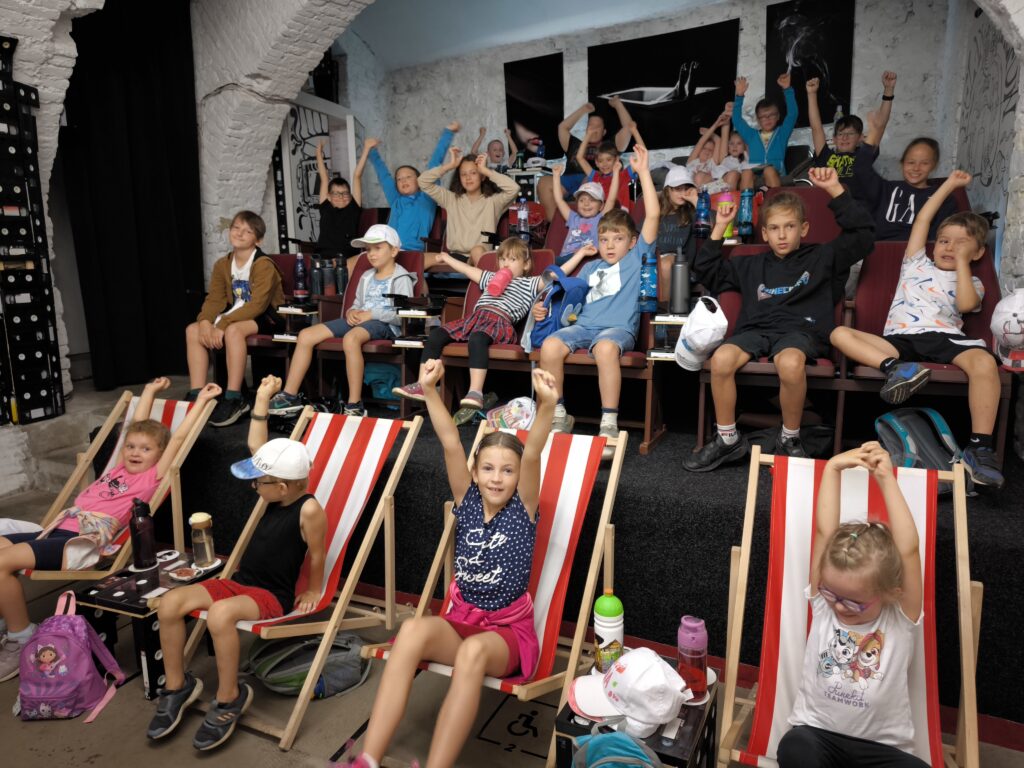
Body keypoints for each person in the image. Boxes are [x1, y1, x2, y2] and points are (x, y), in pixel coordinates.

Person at [344, 361, 556, 768]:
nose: (497, 478)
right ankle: (368, 758)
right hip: (461, 619)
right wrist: (430, 390)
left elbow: (532, 454)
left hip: (505, 635)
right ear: (474, 472)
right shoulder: (467, 499)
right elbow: (450, 441)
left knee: (472, 652)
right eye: (488, 468)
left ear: (518, 477)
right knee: (411, 630)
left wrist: (546, 405)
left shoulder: (523, 509)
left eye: (507, 471)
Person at [146, 375, 327, 751]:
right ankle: (178, 686)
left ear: (282, 486)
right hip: (241, 582)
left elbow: (317, 553)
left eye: (259, 482)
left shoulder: (308, 509)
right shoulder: (276, 493)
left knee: (220, 615)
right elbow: (257, 447)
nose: (253, 486)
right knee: (169, 603)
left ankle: (229, 696)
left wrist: (313, 588)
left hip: (271, 595)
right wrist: (262, 399)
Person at [0, 378, 221, 682]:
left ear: (160, 454)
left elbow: (179, 438)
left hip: (79, 542)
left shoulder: (152, 477)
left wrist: (202, 402)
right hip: (58, 530)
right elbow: (131, 425)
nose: (135, 452)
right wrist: (149, 392)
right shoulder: (117, 467)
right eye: (131, 446)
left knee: (2, 561)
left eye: (146, 449)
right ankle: (6, 614)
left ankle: (21, 635)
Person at [683, 167, 875, 471]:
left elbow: (863, 236)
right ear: (764, 233)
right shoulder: (750, 264)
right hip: (756, 330)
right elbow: (706, 270)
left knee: (790, 362)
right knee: (721, 359)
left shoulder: (823, 257)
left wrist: (835, 189)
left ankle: (789, 439)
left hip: (801, 331)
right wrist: (719, 227)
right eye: (774, 228)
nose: (782, 235)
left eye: (789, 227)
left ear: (804, 229)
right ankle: (727, 439)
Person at [830, 171, 1003, 489]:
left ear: (978, 252)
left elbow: (966, 304)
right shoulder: (915, 263)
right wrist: (949, 185)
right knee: (839, 334)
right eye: (945, 241)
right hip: (901, 339)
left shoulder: (973, 281)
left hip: (946, 338)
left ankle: (980, 447)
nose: (950, 248)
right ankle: (896, 369)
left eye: (962, 244)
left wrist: (962, 264)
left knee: (984, 362)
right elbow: (923, 219)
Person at [777, 441, 928, 768]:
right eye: (831, 593)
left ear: (890, 592)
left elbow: (909, 550)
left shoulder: (899, 618)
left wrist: (885, 477)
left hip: (881, 748)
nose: (839, 606)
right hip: (818, 735)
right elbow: (824, 531)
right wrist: (832, 468)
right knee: (794, 747)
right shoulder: (823, 605)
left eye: (854, 602)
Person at [538, 144, 660, 447]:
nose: (610, 245)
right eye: (604, 239)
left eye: (618, 239)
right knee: (550, 345)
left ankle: (608, 423)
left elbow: (654, 215)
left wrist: (644, 172)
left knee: (605, 349)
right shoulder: (590, 266)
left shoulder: (636, 258)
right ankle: (559, 414)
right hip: (583, 326)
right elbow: (566, 298)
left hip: (616, 329)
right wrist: (544, 310)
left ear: (632, 242)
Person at [393, 236, 590, 424]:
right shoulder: (491, 277)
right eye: (502, 259)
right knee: (436, 334)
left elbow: (559, 274)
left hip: (500, 321)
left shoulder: (530, 283)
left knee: (478, 339)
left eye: (512, 259)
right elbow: (469, 270)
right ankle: (422, 384)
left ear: (526, 265)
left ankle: (475, 392)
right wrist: (447, 258)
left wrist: (580, 253)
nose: (506, 264)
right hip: (474, 319)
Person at [268, 224, 416, 417]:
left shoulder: (401, 277)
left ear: (394, 251)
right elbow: (357, 304)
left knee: (351, 338)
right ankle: (289, 396)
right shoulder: (366, 276)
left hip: (385, 325)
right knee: (305, 335)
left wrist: (371, 314)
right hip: (361, 321)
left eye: (378, 248)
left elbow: (402, 314)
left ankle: (354, 404)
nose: (371, 254)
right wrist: (352, 311)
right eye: (368, 249)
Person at [185, 210, 284, 427]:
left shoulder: (263, 264)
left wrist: (222, 324)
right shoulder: (223, 264)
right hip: (234, 316)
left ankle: (234, 397)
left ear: (258, 240)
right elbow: (215, 299)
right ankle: (197, 395)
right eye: (236, 228)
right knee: (193, 330)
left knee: (233, 331)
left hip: (267, 317)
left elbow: (258, 305)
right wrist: (205, 322)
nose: (239, 233)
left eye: (247, 231)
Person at [418, 148, 520, 268]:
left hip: (480, 256)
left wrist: (486, 171)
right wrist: (449, 166)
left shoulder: (493, 202)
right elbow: (422, 181)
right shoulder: (451, 199)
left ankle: (483, 279)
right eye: (463, 174)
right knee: (418, 260)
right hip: (454, 256)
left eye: (473, 173)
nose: (468, 178)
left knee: (477, 250)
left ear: (482, 177)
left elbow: (514, 188)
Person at [364, 122, 458, 251]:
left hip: (414, 251)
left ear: (419, 180)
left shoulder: (427, 197)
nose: (403, 181)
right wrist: (372, 151)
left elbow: (435, 165)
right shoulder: (396, 200)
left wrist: (448, 133)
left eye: (408, 177)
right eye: (399, 179)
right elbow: (384, 176)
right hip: (389, 250)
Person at [536, 98, 634, 221]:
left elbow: (628, 127)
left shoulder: (610, 145)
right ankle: (554, 225)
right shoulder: (574, 143)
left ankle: (586, 221)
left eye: (597, 126)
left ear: (604, 131)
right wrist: (583, 110)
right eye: (590, 125)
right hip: (568, 181)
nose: (593, 129)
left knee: (588, 179)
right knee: (543, 182)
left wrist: (618, 105)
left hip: (593, 180)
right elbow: (562, 127)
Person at [853, 131, 956, 242]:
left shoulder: (943, 197)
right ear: (902, 163)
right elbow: (860, 167)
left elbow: (942, 236)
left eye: (924, 163)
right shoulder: (885, 189)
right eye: (911, 162)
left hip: (919, 251)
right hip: (882, 249)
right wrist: (875, 130)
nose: (916, 168)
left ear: (933, 165)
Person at [808, 71, 897, 197]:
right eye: (840, 134)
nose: (844, 137)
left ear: (860, 138)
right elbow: (816, 128)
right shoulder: (825, 156)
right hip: (829, 204)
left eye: (850, 133)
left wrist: (888, 90)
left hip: (856, 205)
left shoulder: (863, 155)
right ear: (834, 139)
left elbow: (880, 126)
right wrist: (811, 94)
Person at [731, 72, 799, 188]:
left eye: (771, 115)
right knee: (746, 173)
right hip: (755, 173)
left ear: (778, 116)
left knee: (768, 170)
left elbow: (793, 114)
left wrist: (787, 90)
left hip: (776, 172)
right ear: (758, 120)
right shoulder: (751, 135)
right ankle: (746, 200)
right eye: (763, 116)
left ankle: (777, 199)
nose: (767, 119)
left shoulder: (782, 133)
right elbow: (737, 120)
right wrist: (739, 96)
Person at [551, 161, 619, 266]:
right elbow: (559, 200)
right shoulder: (573, 218)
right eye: (582, 200)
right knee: (547, 261)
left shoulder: (601, 219)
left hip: (587, 259)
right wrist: (556, 176)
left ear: (601, 206)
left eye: (592, 200)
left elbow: (611, 200)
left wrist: (616, 172)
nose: (586, 204)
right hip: (566, 259)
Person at [655, 165, 699, 299]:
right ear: (668, 190)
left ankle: (664, 308)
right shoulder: (656, 212)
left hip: (682, 264)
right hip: (655, 260)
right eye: (678, 189)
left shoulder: (692, 212)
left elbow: (712, 222)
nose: (682, 193)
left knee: (666, 263)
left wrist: (695, 200)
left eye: (686, 189)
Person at [315, 140, 362, 260]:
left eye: (345, 193)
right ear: (329, 196)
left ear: (350, 196)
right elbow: (324, 178)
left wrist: (366, 149)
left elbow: (357, 176)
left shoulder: (353, 208)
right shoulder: (325, 207)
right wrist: (318, 153)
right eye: (336, 194)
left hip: (348, 259)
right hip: (325, 258)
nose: (341, 197)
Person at [577, 138, 636, 212]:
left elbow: (641, 157)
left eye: (608, 160)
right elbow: (579, 157)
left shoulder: (624, 175)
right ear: (596, 163)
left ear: (616, 159)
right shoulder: (595, 177)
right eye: (600, 161)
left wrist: (634, 132)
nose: (604, 164)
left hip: (620, 216)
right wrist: (588, 135)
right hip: (602, 216)